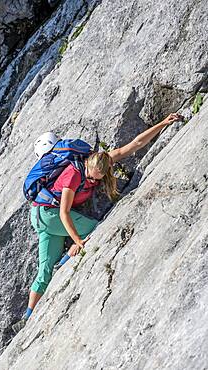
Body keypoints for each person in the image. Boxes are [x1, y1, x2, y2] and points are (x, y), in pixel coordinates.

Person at [12, 112, 183, 333]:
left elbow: (132, 145)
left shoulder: (100, 161)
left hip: (40, 219)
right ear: (87, 167)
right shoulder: (73, 174)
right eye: (92, 178)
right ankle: (66, 259)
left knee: (45, 268)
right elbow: (64, 212)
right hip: (49, 215)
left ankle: (27, 317)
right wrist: (78, 242)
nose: (94, 181)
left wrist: (163, 123)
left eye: (98, 179)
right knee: (94, 229)